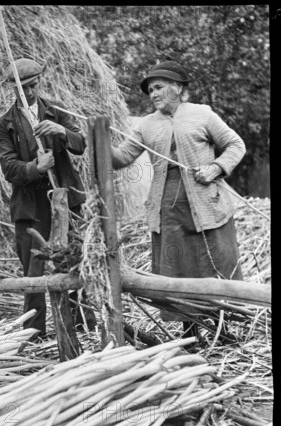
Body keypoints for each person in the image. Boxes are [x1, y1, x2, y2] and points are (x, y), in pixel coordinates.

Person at [110, 60, 245, 341]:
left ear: (178, 89)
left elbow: (235, 145)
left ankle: (222, 330)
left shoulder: (202, 115)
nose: (153, 94)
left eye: (159, 87)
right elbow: (121, 158)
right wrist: (91, 140)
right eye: (150, 90)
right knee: (180, 268)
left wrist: (216, 168)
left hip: (208, 203)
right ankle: (191, 333)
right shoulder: (147, 125)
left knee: (212, 265)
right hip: (168, 208)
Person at [0, 58, 95, 338]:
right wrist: (35, 168)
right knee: (33, 271)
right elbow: (9, 167)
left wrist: (61, 131)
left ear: (40, 82)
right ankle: (34, 333)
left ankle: (82, 325)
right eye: (21, 88)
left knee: (73, 262)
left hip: (65, 199)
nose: (28, 92)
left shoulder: (56, 110)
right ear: (12, 89)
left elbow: (80, 144)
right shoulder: (5, 124)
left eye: (33, 85)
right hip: (31, 206)